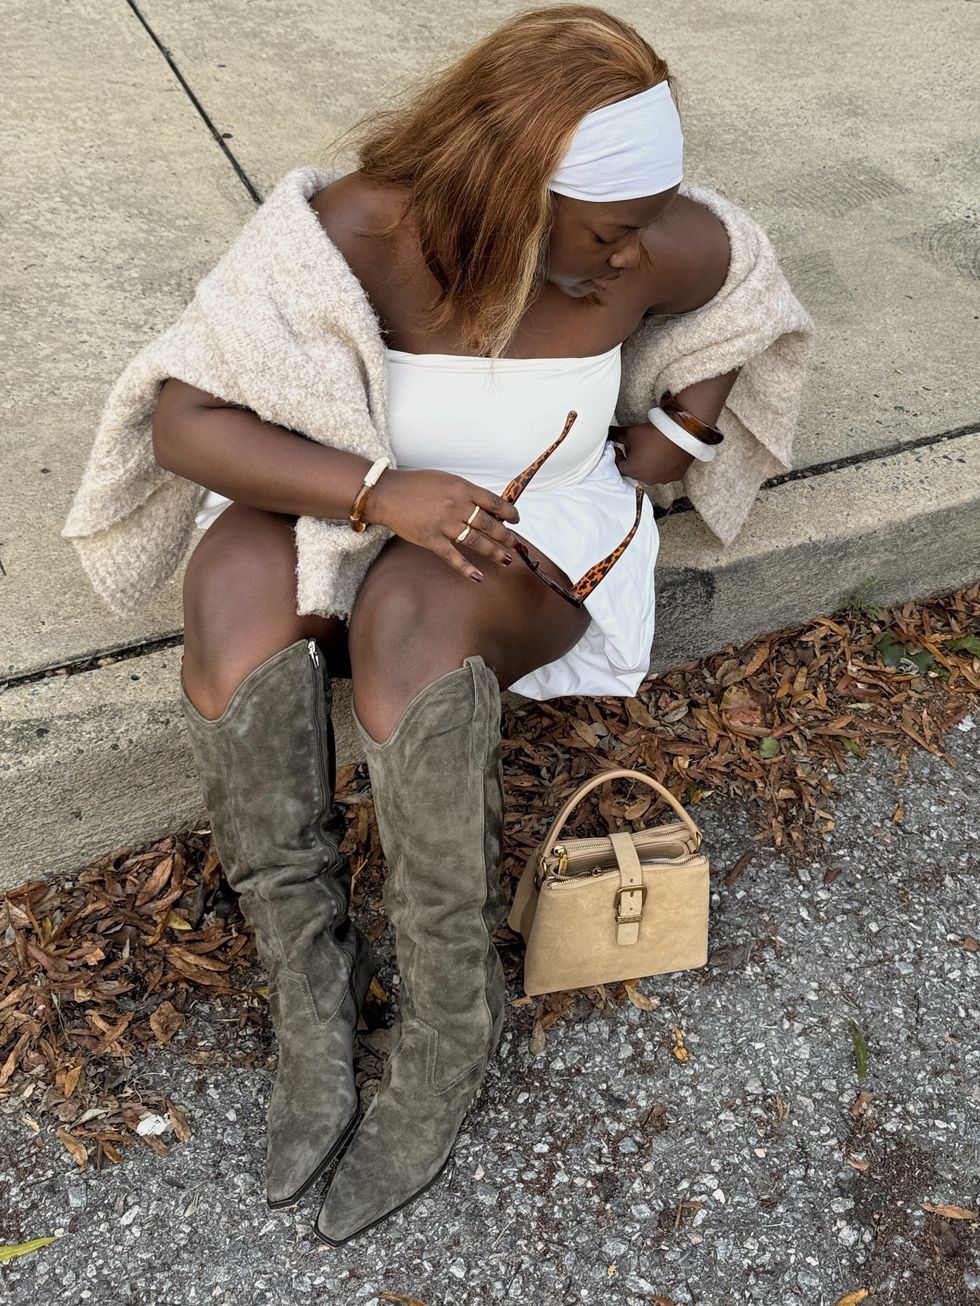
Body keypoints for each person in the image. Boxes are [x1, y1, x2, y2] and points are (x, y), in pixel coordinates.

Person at [65, 4, 810, 1247]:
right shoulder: (344, 232)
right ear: (510, 189)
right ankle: (310, 987)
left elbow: (749, 285)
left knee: (414, 605)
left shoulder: (655, 246)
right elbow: (184, 420)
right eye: (608, 232)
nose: (631, 261)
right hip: (351, 496)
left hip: (524, 529)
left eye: (639, 233)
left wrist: (681, 427)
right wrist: (374, 493)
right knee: (238, 588)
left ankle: (449, 1026)